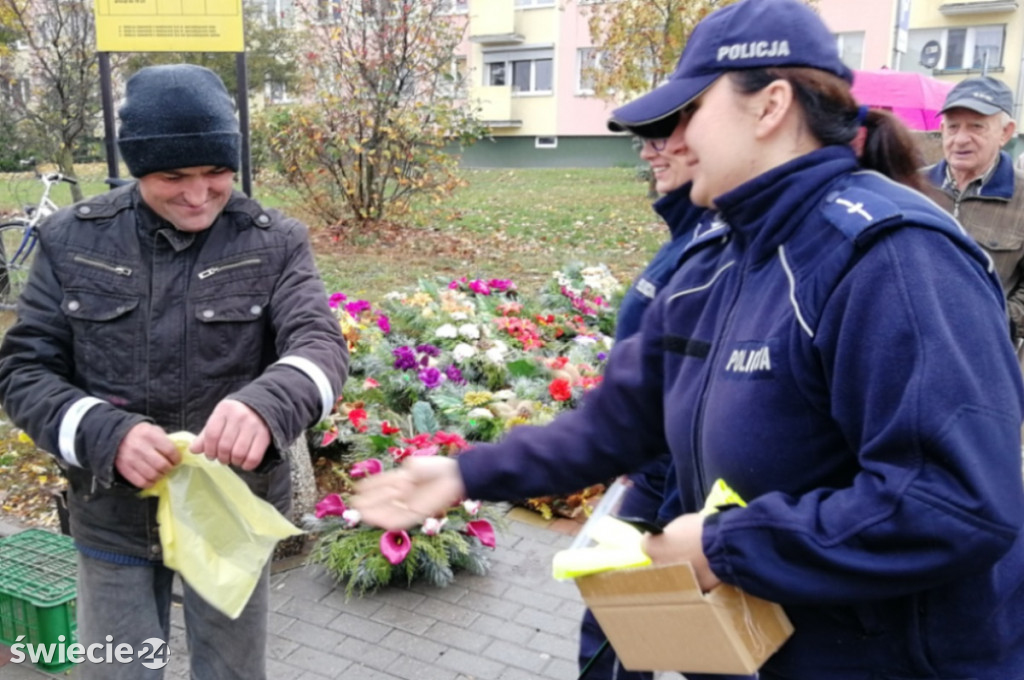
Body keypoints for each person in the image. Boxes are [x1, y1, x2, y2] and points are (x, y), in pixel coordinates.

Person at [353, 1, 1024, 679]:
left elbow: (953, 501)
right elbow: (616, 426)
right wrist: (464, 472)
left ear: (770, 107)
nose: (671, 141)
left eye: (689, 113)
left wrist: (723, 544)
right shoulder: (714, 261)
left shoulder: (891, 258)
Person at [0, 64, 349, 679]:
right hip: (111, 515)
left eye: (216, 171)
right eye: (172, 176)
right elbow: (24, 370)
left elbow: (320, 345)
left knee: (232, 673)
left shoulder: (276, 242)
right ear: (138, 171)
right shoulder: (70, 239)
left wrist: (267, 404)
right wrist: (104, 433)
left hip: (229, 515)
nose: (198, 194)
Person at [577, 113, 753, 680]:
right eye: (643, 142)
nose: (648, 154)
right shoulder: (692, 235)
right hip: (659, 469)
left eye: (660, 139)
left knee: (703, 646)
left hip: (695, 488)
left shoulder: (726, 242)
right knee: (617, 620)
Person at [922, 76, 1024, 346]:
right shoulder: (910, 186)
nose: (960, 139)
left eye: (976, 127)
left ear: (1005, 132)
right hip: (913, 347)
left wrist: (1001, 319)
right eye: (953, 127)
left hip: (986, 354)